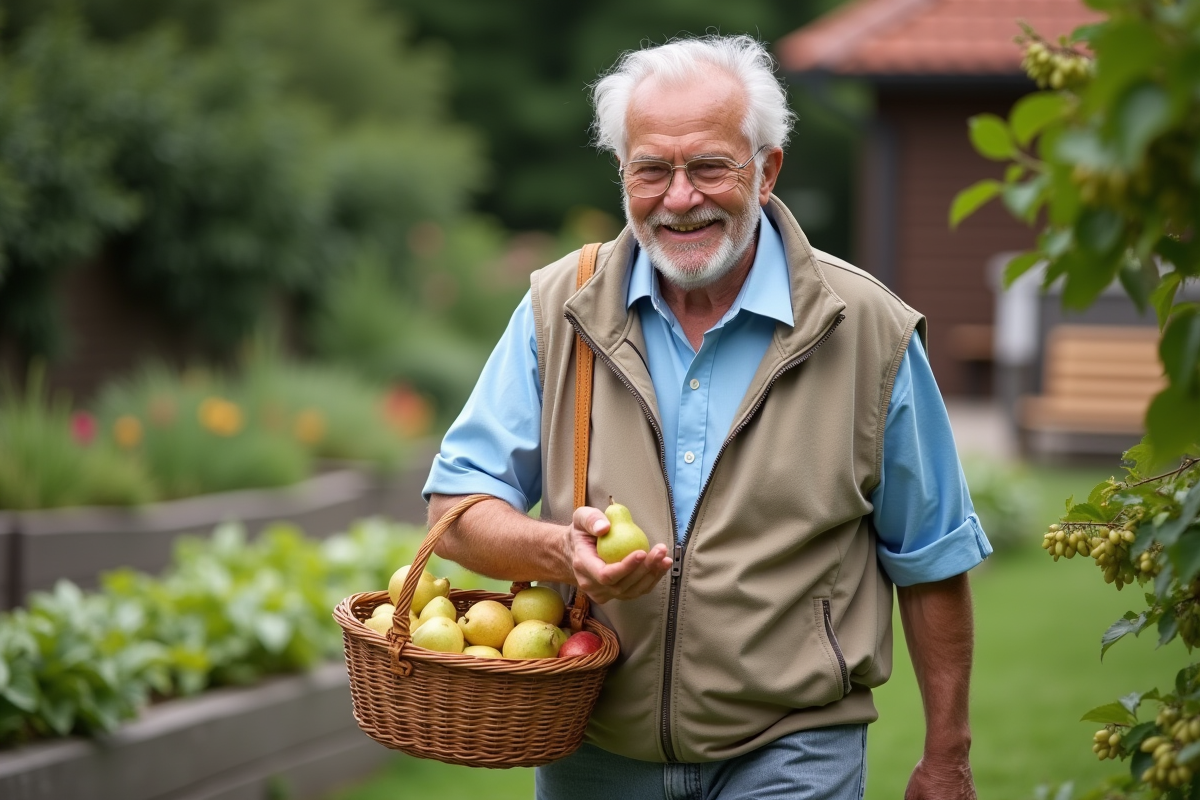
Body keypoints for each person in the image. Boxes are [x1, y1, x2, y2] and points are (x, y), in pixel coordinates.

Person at [424, 34, 990, 800]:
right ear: (623, 175)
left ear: (767, 171)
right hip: (593, 745)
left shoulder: (866, 329)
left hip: (792, 745)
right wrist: (563, 552)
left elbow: (932, 559)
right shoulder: (559, 309)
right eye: (651, 169)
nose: (680, 197)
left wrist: (947, 756)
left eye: (710, 166)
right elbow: (454, 510)